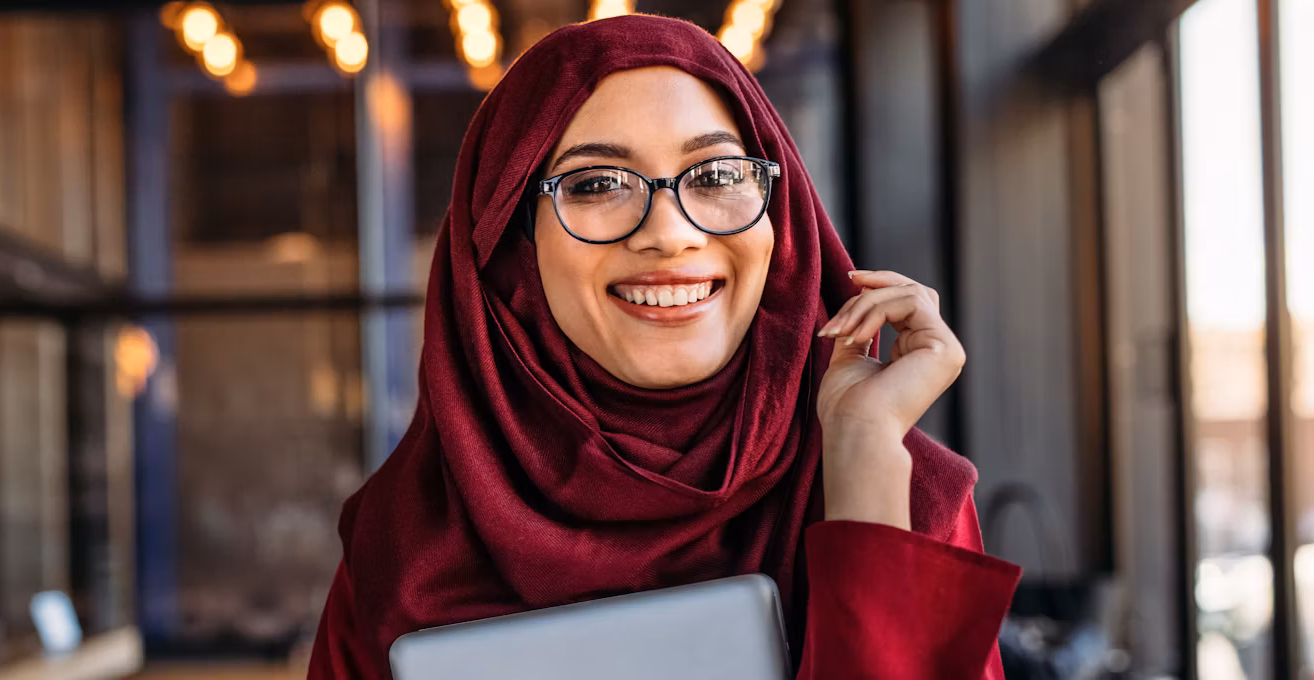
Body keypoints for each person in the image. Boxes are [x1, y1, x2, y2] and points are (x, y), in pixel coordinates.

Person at [307, 14, 1021, 679]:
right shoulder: (400, 546)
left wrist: (863, 464)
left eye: (715, 175)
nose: (670, 232)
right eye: (596, 184)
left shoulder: (903, 495)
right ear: (508, 255)